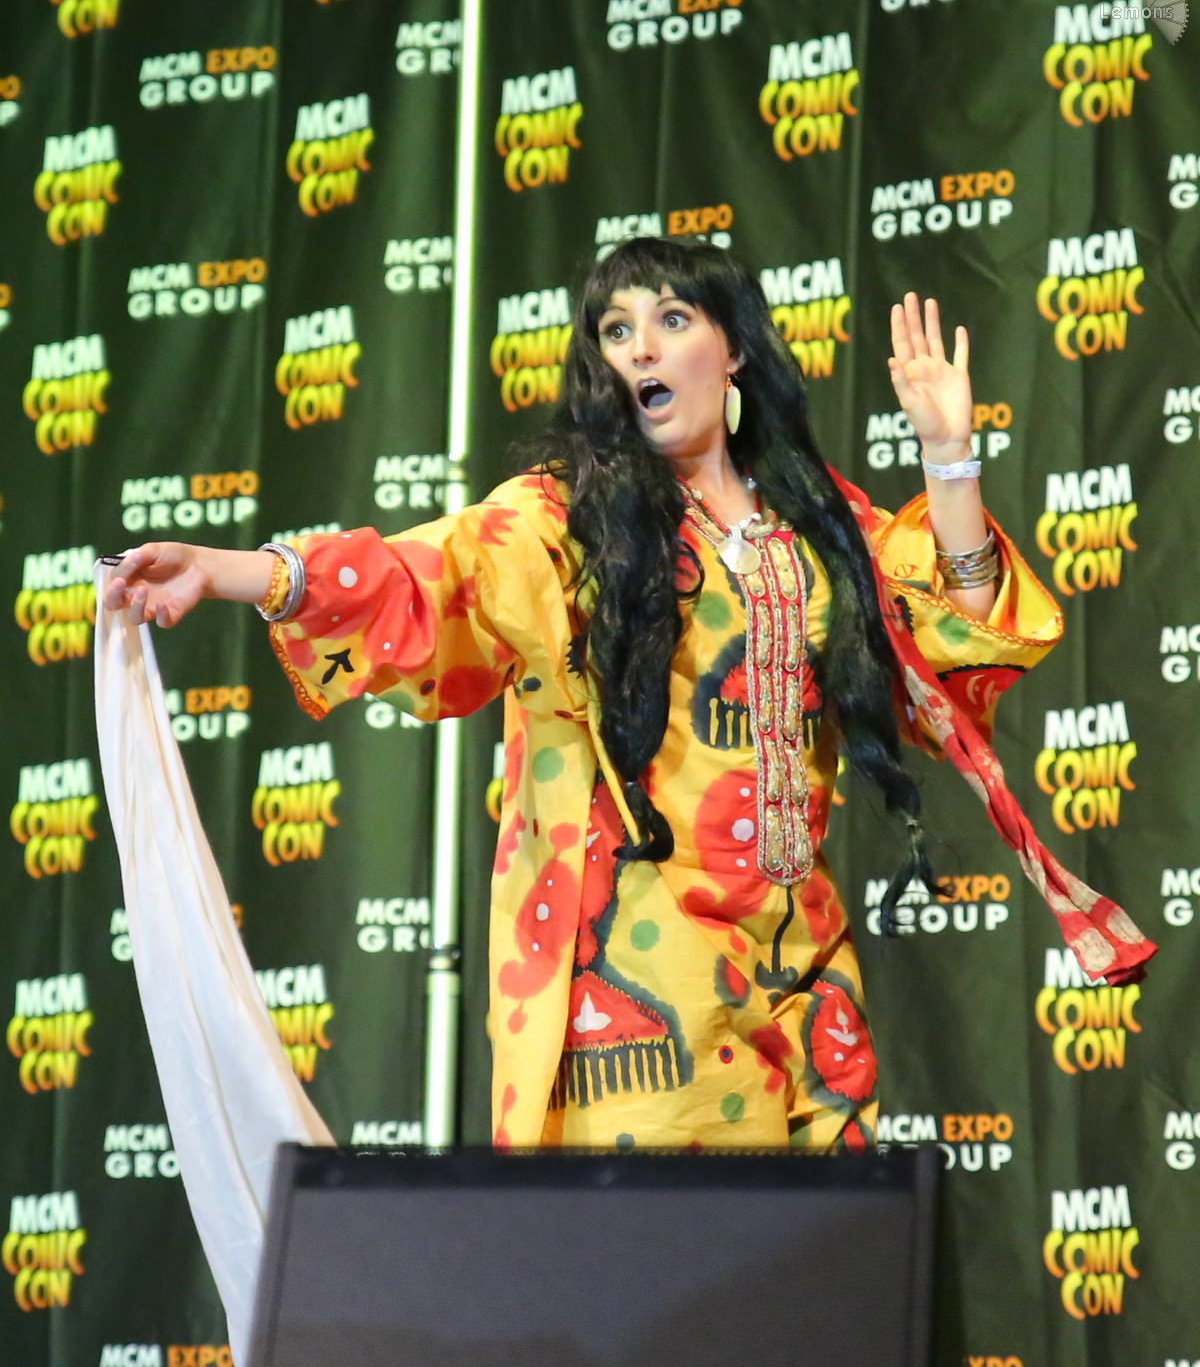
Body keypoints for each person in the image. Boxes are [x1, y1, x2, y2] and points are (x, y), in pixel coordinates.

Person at [101, 237, 1151, 1153]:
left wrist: (949, 458)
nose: (640, 348)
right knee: (663, 1280)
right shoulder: (565, 521)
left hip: (805, 970)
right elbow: (426, 574)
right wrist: (239, 571)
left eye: (672, 320)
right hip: (644, 983)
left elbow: (950, 660)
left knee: (824, 1282)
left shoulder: (821, 526)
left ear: (733, 351)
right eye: (615, 330)